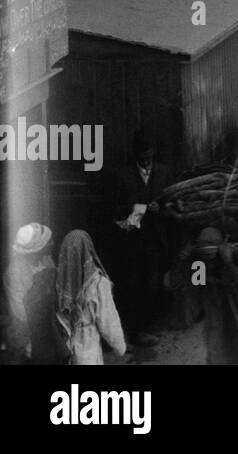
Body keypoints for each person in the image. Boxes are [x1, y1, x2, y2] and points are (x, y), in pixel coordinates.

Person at [165, 227, 238, 365]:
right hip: (217, 311)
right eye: (204, 252)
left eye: (211, 251)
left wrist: (228, 263)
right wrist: (183, 263)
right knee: (223, 347)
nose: (208, 256)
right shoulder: (199, 263)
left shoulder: (236, 256)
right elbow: (196, 288)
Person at [110, 131, 169, 349]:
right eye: (142, 156)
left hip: (154, 239)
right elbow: (114, 209)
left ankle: (146, 327)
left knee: (152, 284)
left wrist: (161, 208)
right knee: (133, 286)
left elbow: (171, 202)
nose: (146, 160)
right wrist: (140, 208)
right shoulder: (123, 176)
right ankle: (135, 332)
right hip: (132, 242)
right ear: (135, 154)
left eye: (149, 155)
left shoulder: (163, 172)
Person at [55, 231, 126, 365]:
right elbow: (108, 320)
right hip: (88, 343)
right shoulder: (97, 283)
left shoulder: (59, 279)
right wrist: (120, 347)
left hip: (66, 345)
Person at [5, 223, 59, 364]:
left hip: (47, 330)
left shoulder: (47, 260)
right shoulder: (15, 272)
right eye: (49, 241)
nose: (53, 243)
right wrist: (31, 343)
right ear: (38, 248)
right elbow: (20, 312)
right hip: (26, 334)